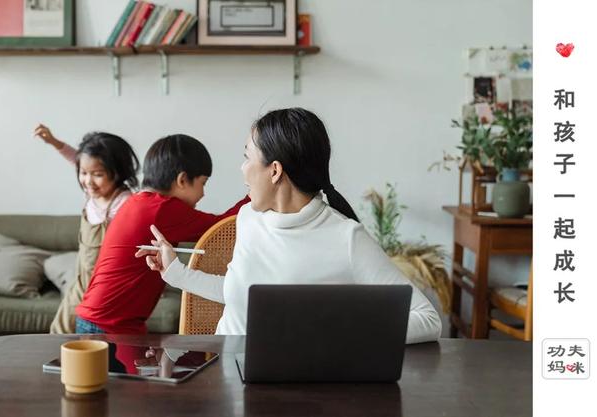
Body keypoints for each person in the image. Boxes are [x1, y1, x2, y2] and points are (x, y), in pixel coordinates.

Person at [137, 108, 442, 344]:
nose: (242, 169)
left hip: (298, 388)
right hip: (226, 376)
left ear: (274, 171)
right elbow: (240, 294)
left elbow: (427, 319)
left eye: (246, 157)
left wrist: (337, 329)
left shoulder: (346, 238)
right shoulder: (249, 219)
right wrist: (175, 272)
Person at [75, 134, 250, 334]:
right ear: (182, 180)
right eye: (203, 183)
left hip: (101, 319)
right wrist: (255, 193)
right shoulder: (161, 209)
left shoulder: (139, 202)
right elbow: (221, 228)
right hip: (109, 325)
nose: (203, 194)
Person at [33, 124, 139, 334]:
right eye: (83, 173)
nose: (88, 181)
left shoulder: (124, 203)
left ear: (117, 172)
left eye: (97, 174)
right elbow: (77, 159)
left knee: (85, 339)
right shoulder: (92, 194)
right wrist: (54, 142)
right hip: (80, 281)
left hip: (102, 289)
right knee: (59, 331)